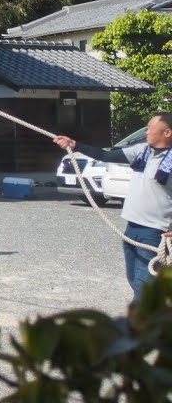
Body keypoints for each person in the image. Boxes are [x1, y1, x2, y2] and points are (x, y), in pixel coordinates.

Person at [53, 113, 172, 296]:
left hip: (156, 231)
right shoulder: (142, 151)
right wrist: (74, 145)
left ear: (167, 132)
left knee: (144, 285)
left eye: (150, 127)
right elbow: (105, 155)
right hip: (132, 226)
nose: (146, 131)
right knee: (134, 279)